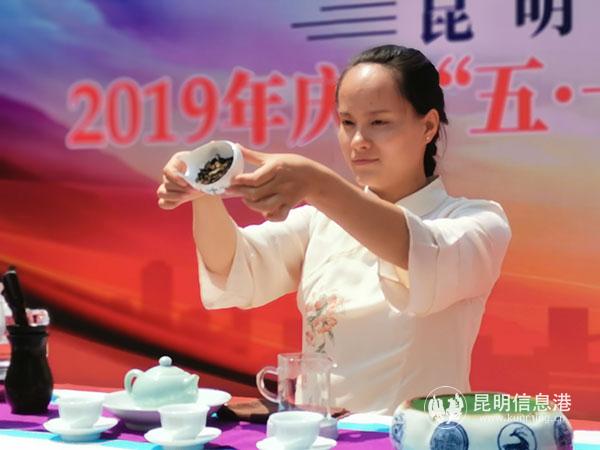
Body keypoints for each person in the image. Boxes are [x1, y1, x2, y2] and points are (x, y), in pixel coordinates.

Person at [157, 44, 511, 414]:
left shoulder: (478, 223)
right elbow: (232, 267)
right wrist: (203, 190)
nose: (359, 141)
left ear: (428, 126)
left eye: (379, 122)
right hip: (320, 435)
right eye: (347, 123)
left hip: (413, 435)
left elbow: (419, 249)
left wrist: (317, 184)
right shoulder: (321, 221)